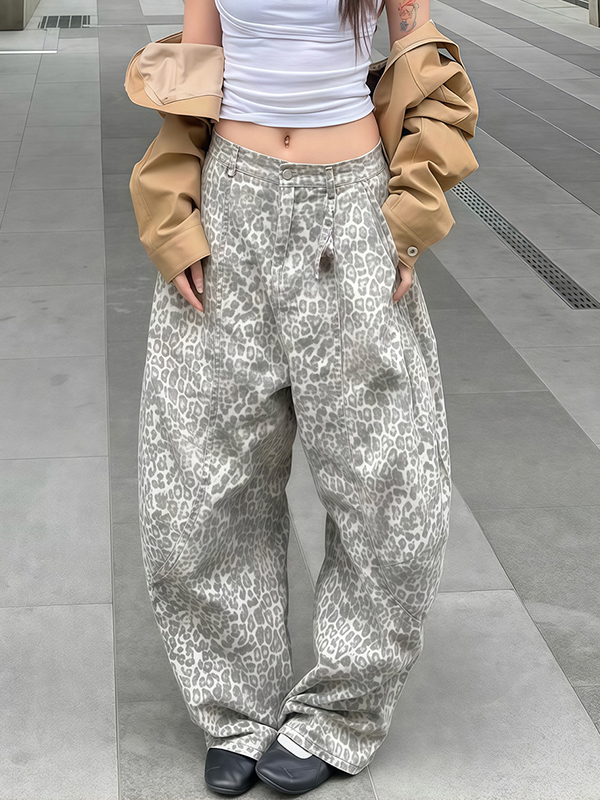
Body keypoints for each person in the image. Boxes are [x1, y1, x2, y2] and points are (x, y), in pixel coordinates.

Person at [123, 0, 479, 795]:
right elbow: (194, 74)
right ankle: (236, 709)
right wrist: (176, 215)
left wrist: (409, 214)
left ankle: (340, 713)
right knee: (199, 486)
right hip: (232, 205)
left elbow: (424, 66)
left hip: (350, 212)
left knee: (391, 488)